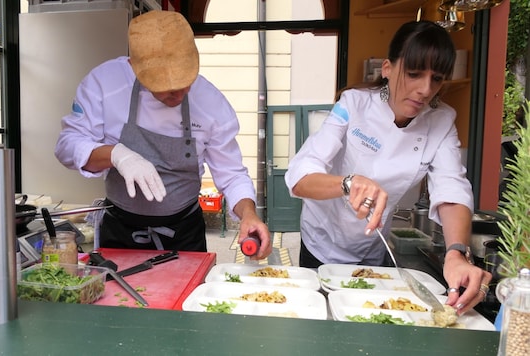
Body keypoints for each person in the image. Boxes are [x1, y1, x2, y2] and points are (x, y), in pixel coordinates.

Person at [284, 20, 491, 314]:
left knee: (375, 320)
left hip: (373, 249)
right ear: (387, 68)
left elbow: (452, 188)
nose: (425, 89)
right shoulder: (353, 104)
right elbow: (300, 175)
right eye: (414, 74)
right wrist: (348, 183)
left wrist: (457, 253)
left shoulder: (442, 120)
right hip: (322, 243)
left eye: (437, 78)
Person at [54, 10, 271, 259]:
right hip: (120, 233)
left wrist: (249, 214)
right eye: (164, 89)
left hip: (185, 235)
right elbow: (67, 146)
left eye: (185, 84)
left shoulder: (212, 103)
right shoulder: (104, 84)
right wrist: (117, 155)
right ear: (134, 68)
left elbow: (232, 175)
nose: (177, 95)